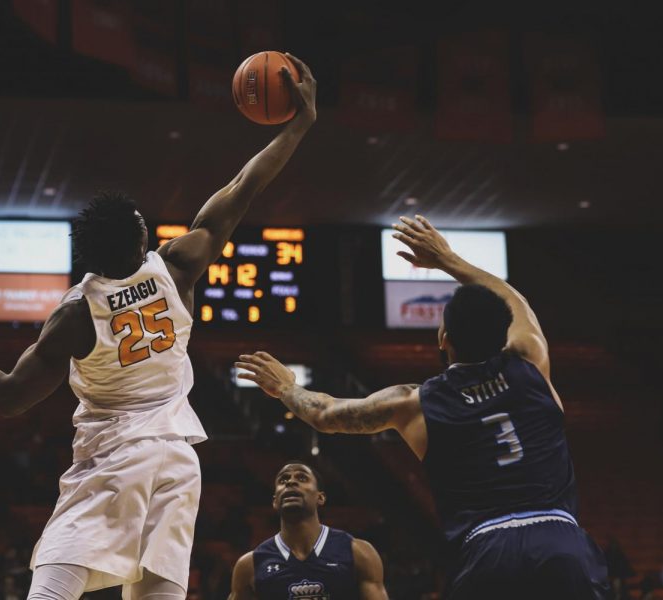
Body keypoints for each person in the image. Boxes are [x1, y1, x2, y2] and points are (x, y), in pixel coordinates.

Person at [0, 54, 317, 600]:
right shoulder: (178, 266)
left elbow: (10, 397)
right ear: (140, 242)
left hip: (113, 457)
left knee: (53, 585)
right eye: (141, 221)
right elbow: (243, 185)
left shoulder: (76, 314)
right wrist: (301, 123)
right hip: (178, 460)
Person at [235, 215, 610, 599]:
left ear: (443, 338)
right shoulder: (530, 362)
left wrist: (284, 387)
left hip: (488, 550)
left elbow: (325, 415)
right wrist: (448, 260)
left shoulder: (414, 402)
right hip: (560, 540)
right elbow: (516, 301)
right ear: (503, 333)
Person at [229, 462, 387, 599]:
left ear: (320, 497)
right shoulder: (250, 565)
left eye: (302, 478)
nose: (290, 482)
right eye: (283, 480)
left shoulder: (358, 552)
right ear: (275, 501)